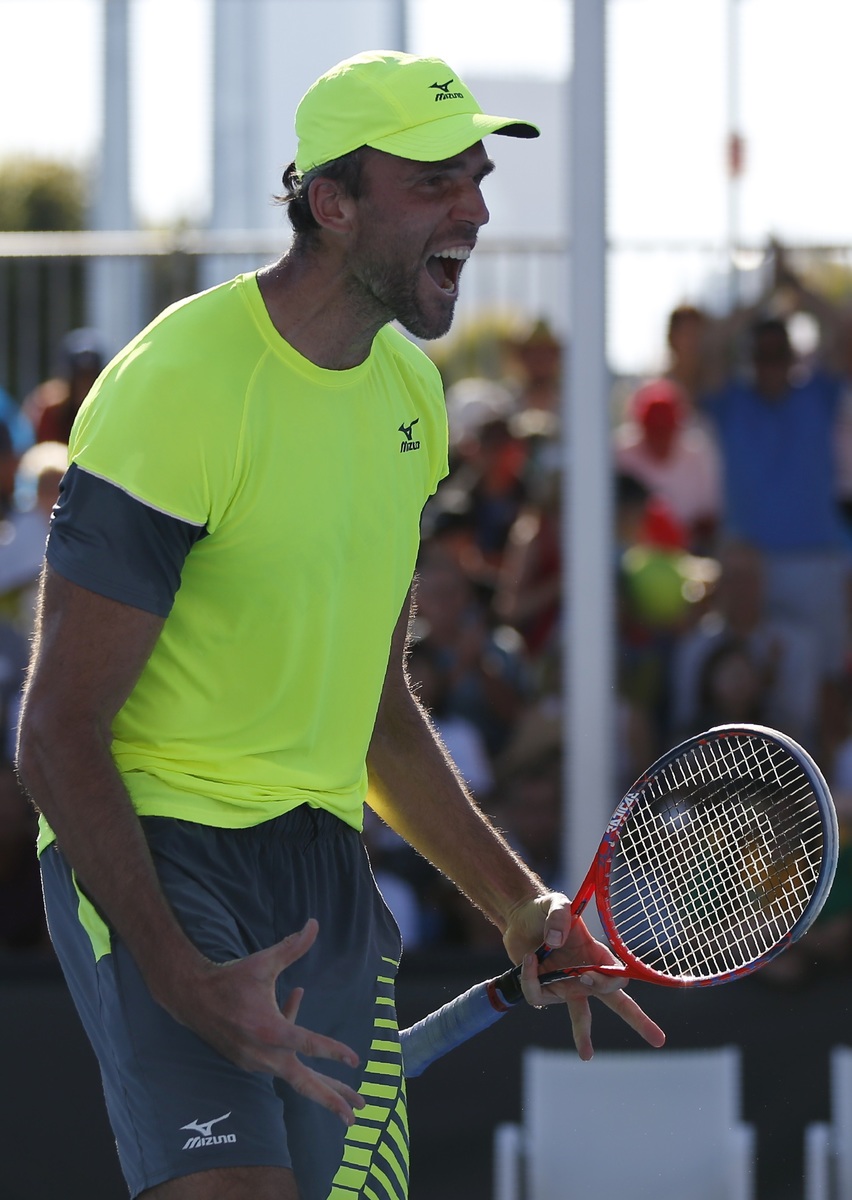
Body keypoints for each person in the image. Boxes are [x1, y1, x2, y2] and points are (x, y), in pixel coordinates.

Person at [15, 50, 664, 1200]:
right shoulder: (181, 383)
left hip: (323, 871)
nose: (473, 209)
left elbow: (378, 714)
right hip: (162, 846)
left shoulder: (411, 398)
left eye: (476, 180)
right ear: (332, 203)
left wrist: (520, 903)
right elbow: (56, 733)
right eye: (434, 182)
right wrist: (177, 972)